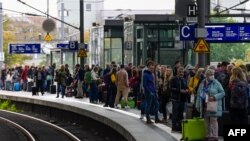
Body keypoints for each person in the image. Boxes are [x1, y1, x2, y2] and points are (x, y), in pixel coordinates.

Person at [196, 69, 225, 141]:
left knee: (213, 120)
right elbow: (199, 94)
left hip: (213, 104)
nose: (212, 76)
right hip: (204, 104)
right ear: (206, 75)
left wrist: (214, 97)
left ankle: (215, 136)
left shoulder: (216, 83)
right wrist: (198, 104)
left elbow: (223, 93)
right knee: (206, 121)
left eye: (212, 74)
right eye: (210, 74)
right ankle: (208, 135)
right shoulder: (202, 83)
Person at [170, 67, 189, 132]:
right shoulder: (173, 79)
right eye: (180, 72)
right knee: (175, 114)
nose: (181, 73)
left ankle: (180, 128)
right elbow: (171, 88)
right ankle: (174, 127)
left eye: (183, 72)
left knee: (181, 114)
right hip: (175, 99)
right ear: (177, 72)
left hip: (182, 100)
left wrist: (186, 90)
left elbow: (186, 87)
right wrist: (179, 90)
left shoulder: (184, 80)